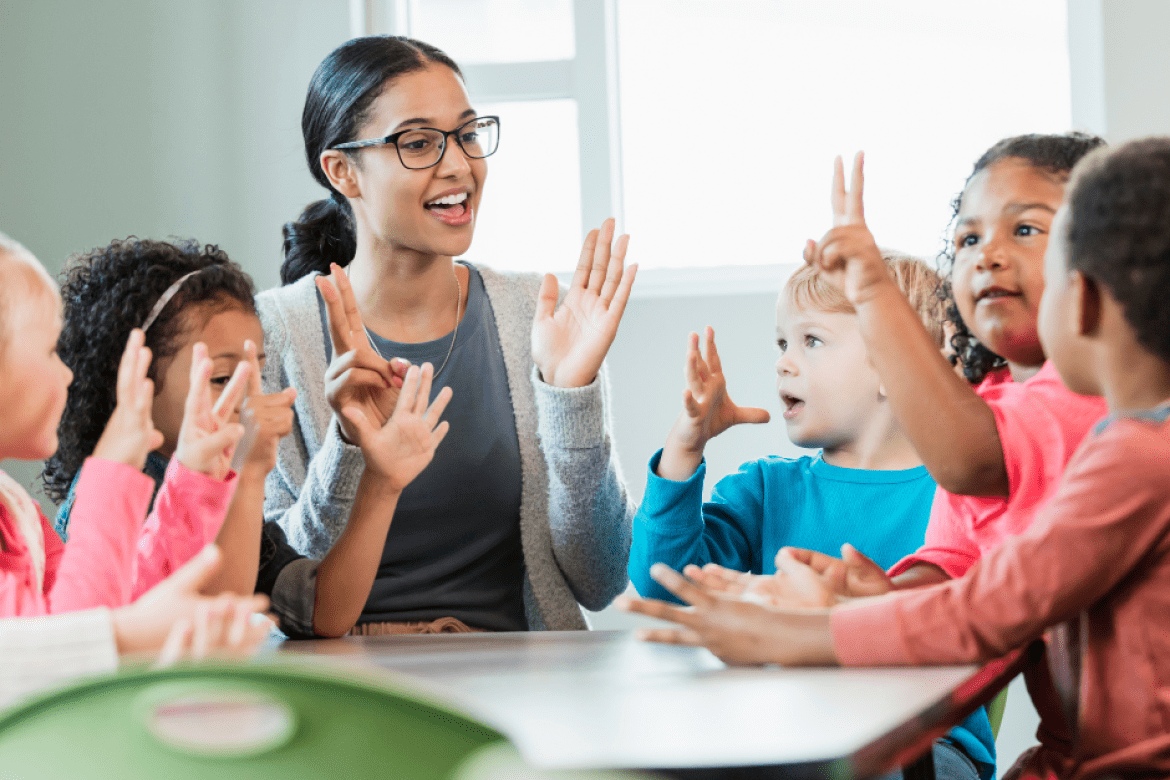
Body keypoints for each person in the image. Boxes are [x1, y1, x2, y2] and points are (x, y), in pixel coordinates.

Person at [620, 135, 1170, 780]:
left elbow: (989, 611)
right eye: (967, 239)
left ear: (1079, 301)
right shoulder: (1123, 445)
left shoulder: (1132, 456)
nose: (992, 262)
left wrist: (794, 637)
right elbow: (971, 585)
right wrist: (870, 597)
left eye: (1030, 238)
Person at [261, 35, 637, 638]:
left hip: (521, 685)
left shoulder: (531, 316)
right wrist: (350, 450)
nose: (459, 165)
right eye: (418, 143)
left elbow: (601, 578)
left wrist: (573, 398)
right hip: (350, 693)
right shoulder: (274, 335)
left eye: (467, 134)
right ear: (342, 171)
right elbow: (280, 596)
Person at [628, 255, 994, 779]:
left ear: (896, 364)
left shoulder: (960, 495)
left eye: (811, 341)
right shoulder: (764, 487)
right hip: (784, 733)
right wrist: (684, 449)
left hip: (928, 746)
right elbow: (663, 590)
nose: (783, 362)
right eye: (782, 343)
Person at [43, 238, 450, 635]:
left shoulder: (228, 480)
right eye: (222, 378)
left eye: (258, 371)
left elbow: (322, 612)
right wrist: (251, 472)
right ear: (136, 382)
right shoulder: (105, 502)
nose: (251, 397)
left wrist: (382, 482)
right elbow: (208, 624)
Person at [0, 232, 272, 706]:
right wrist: (112, 471)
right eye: (48, 352)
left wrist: (193, 477)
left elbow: (117, 609)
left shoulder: (16, 512)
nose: (64, 372)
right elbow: (70, 660)